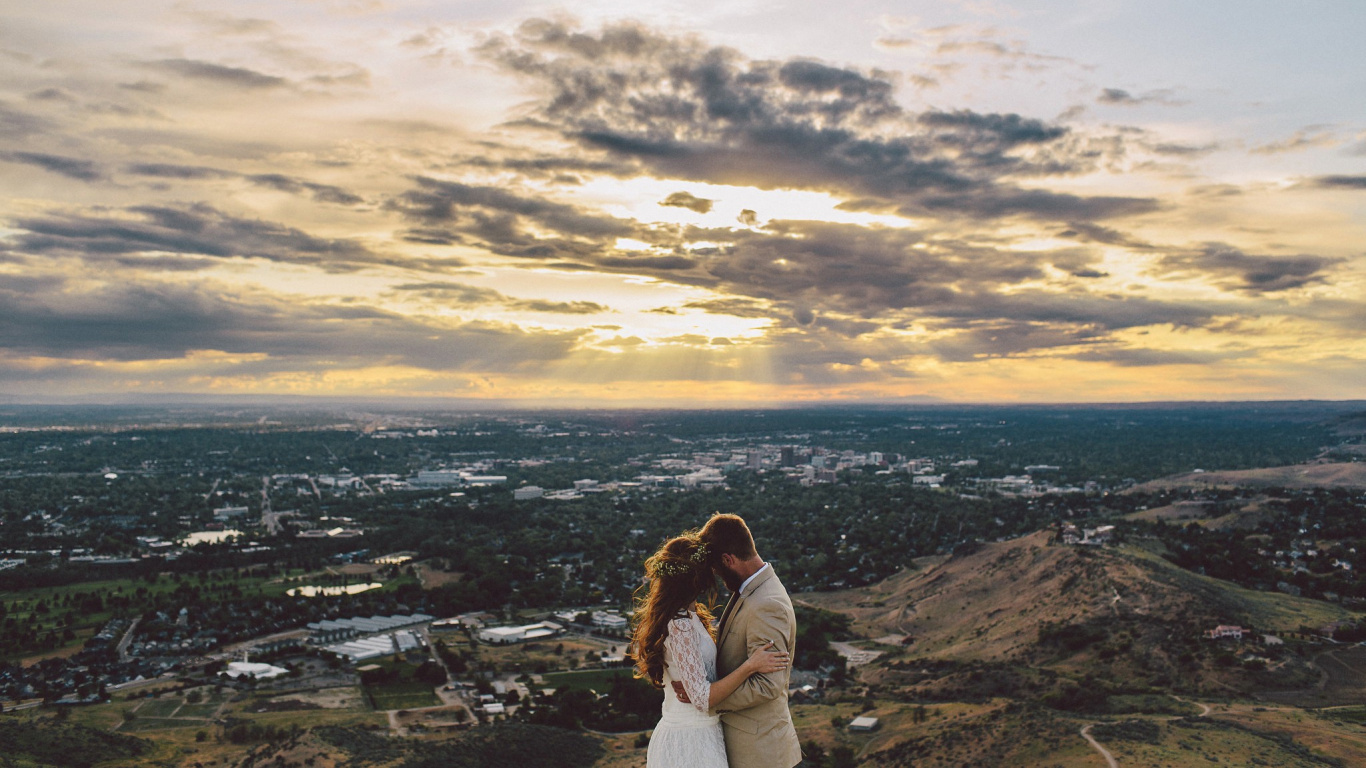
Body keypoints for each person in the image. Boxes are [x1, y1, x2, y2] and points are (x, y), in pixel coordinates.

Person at [631, 534, 790, 768]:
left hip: (700, 733)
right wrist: (751, 665)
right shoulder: (680, 626)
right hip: (691, 741)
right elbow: (703, 698)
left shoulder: (688, 618)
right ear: (696, 578)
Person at [680, 513, 803, 768]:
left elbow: (768, 685)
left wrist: (707, 699)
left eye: (717, 568)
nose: (717, 575)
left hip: (760, 753)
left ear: (728, 559)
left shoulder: (767, 604)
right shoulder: (751, 590)